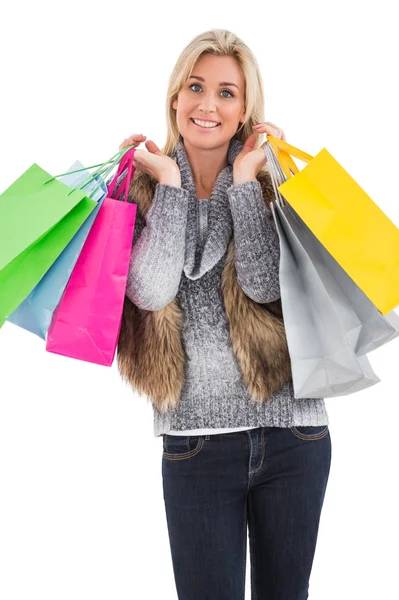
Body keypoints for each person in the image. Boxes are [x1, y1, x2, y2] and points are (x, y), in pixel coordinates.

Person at [112, 29, 331, 600]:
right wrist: (171, 190)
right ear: (174, 99)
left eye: (227, 92)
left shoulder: (271, 177)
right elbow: (151, 291)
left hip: (293, 434)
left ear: (245, 110)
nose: (208, 104)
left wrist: (243, 183)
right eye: (196, 87)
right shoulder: (141, 181)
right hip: (195, 443)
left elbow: (263, 285)